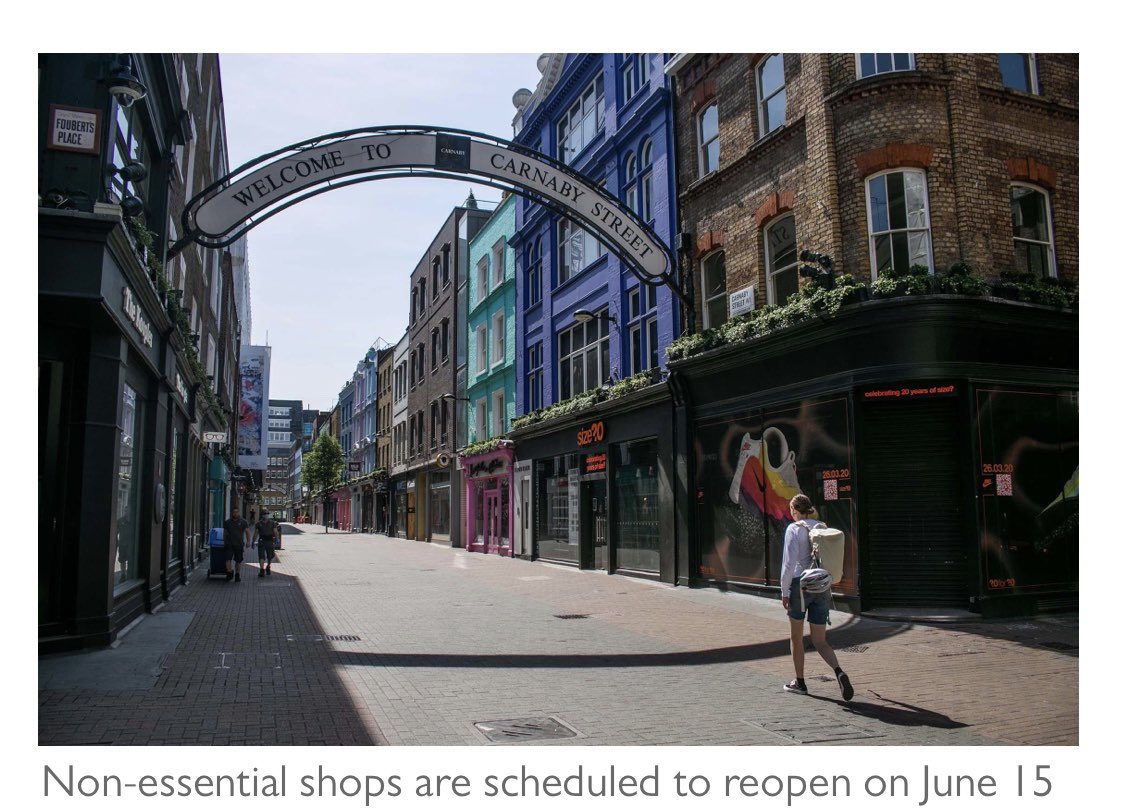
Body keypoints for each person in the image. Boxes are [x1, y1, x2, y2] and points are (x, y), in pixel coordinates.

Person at [779, 493, 854, 701]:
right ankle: (839, 671)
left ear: (794, 510)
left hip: (799, 585)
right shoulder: (821, 527)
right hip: (821, 586)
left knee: (796, 637)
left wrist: (784, 592)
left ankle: (800, 682)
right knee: (820, 640)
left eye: (791, 510)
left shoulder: (793, 529)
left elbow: (788, 564)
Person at [223, 507, 250, 582]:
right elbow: (225, 533)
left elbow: (247, 531)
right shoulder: (227, 522)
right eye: (234, 512)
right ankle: (229, 572)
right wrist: (224, 541)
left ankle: (237, 574)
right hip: (229, 544)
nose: (235, 514)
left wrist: (248, 541)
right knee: (228, 559)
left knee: (238, 560)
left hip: (239, 544)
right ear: (232, 513)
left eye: (236, 512)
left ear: (239, 513)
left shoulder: (243, 522)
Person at [253, 509, 281, 577]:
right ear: (262, 515)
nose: (266, 515)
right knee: (261, 556)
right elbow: (256, 533)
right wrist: (253, 541)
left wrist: (277, 539)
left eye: (267, 514)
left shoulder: (272, 523)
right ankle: (262, 570)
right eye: (265, 514)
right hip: (262, 541)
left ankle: (268, 566)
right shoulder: (258, 524)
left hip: (270, 541)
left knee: (270, 556)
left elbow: (275, 531)